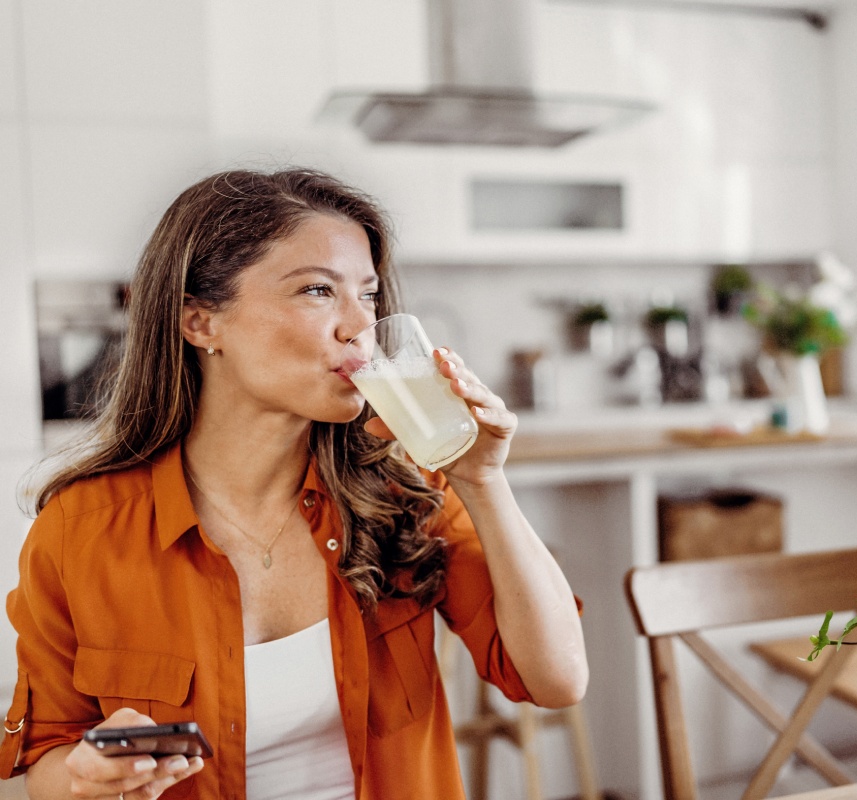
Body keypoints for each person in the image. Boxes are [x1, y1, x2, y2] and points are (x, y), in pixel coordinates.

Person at [1, 168, 588, 800]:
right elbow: (43, 764)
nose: (358, 327)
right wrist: (88, 775)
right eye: (317, 291)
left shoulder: (405, 491)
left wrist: (483, 480)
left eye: (367, 295)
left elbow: (556, 681)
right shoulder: (80, 531)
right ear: (200, 324)